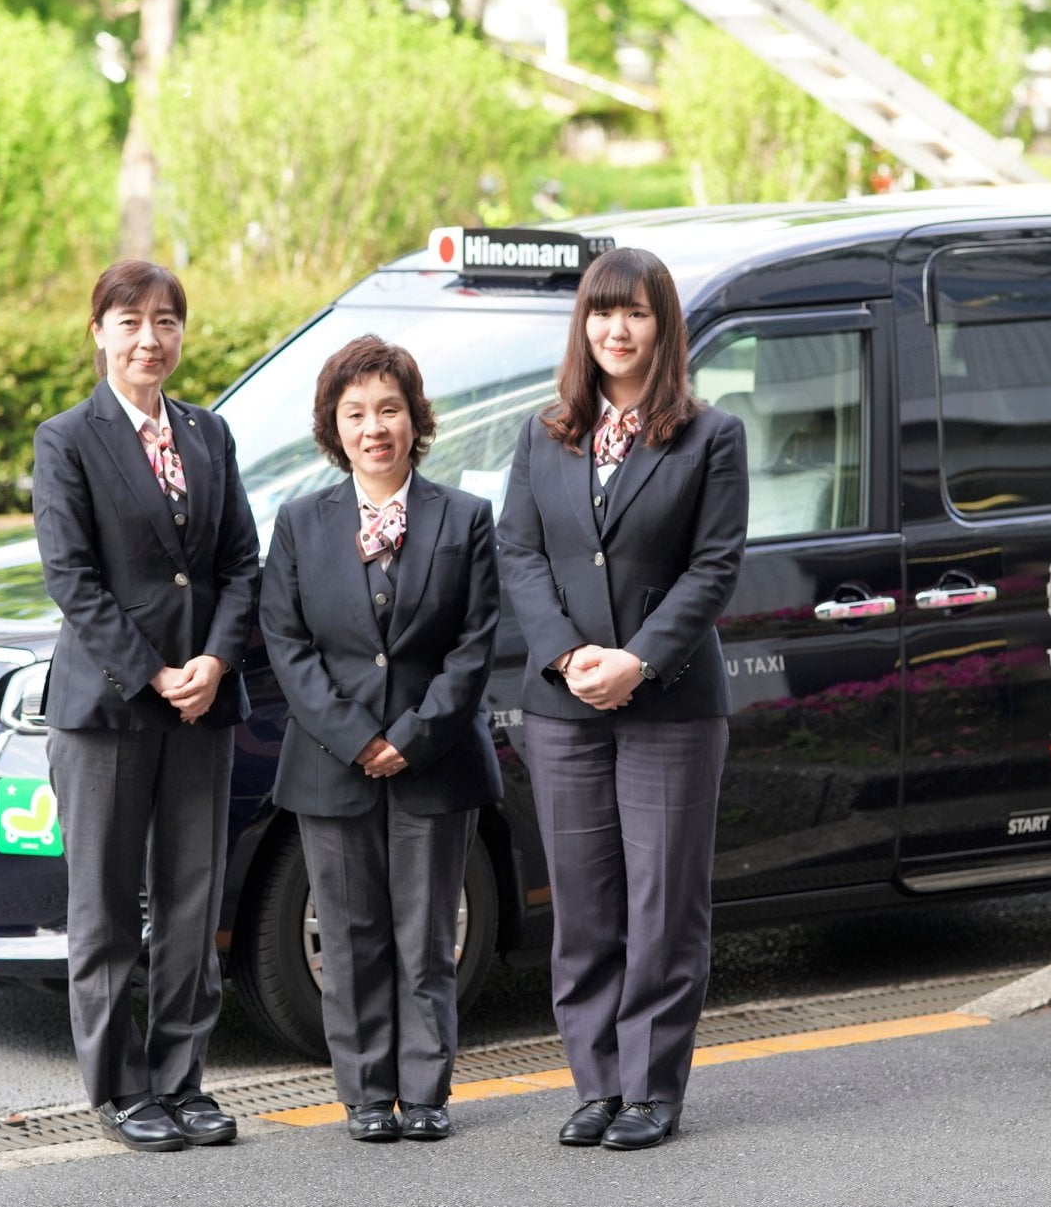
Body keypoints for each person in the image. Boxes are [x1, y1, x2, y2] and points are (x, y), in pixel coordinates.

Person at [496, 246, 749, 1151]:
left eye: (635, 313)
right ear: (584, 325)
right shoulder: (543, 432)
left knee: (663, 904)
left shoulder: (709, 435)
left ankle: (650, 1087)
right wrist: (568, 657)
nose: (616, 329)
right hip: (563, 707)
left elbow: (714, 566)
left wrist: (636, 661)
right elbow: (517, 553)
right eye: (602, 313)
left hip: (670, 702)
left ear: (662, 325)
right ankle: (595, 1084)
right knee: (585, 904)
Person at [32, 261, 259, 1152]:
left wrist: (212, 658)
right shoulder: (67, 439)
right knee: (103, 905)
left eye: (165, 321)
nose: (148, 339)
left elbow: (240, 562)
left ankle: (181, 1079)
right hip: (109, 706)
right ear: (98, 332)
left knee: (191, 904)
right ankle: (122, 1086)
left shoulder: (209, 433)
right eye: (128, 321)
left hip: (202, 704)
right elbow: (71, 579)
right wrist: (154, 671)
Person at [259, 336, 502, 1143]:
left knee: (426, 936)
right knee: (353, 937)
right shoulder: (298, 523)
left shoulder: (465, 518)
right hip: (332, 764)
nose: (374, 427)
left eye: (389, 409)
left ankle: (426, 1090)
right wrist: (357, 737)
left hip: (434, 762)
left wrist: (411, 735)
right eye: (355, 412)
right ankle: (365, 1092)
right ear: (334, 424)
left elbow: (475, 644)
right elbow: (287, 645)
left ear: (414, 417)